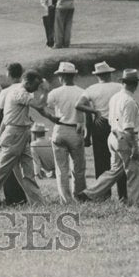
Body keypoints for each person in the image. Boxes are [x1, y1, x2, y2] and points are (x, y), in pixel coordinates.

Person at [0, 70, 61, 209]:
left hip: (18, 133)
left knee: (27, 172)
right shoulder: (21, 93)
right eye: (35, 86)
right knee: (1, 171)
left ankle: (38, 204)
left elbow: (7, 117)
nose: (36, 89)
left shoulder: (16, 92)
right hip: (15, 135)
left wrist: (0, 135)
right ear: (27, 82)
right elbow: (38, 105)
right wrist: (46, 90)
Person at [77, 69, 139, 204]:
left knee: (115, 170)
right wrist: (134, 148)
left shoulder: (116, 97)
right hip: (125, 137)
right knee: (137, 171)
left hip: (113, 136)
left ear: (124, 83)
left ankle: (89, 193)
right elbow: (129, 128)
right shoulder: (129, 101)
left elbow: (112, 120)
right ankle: (137, 202)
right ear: (135, 84)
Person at [77, 61, 127, 201]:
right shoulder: (119, 87)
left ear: (97, 75)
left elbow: (79, 105)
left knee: (101, 162)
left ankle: (103, 195)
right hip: (117, 124)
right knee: (120, 160)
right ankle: (123, 194)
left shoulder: (91, 89)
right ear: (109, 73)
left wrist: (95, 111)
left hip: (99, 125)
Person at [47, 62, 87, 203]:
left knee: (61, 169)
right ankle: (80, 196)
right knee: (79, 168)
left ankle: (66, 199)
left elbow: (47, 107)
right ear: (73, 75)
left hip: (60, 129)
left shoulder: (55, 92)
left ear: (61, 76)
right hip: (76, 130)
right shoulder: (82, 92)